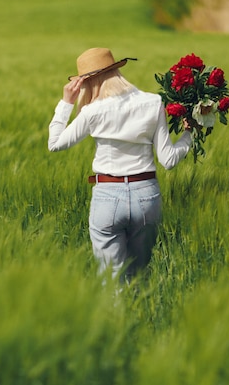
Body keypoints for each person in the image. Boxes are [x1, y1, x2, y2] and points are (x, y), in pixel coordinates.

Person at [48, 48, 191, 282]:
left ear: (87, 82)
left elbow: (55, 144)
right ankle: (142, 317)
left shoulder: (92, 111)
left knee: (112, 281)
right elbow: (169, 160)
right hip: (146, 195)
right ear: (116, 70)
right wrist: (189, 134)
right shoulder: (153, 102)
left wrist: (66, 103)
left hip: (108, 197)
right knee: (141, 277)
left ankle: (117, 318)